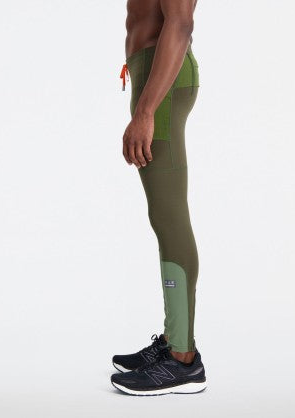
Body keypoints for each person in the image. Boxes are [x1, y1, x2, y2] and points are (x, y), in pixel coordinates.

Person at [111, 0, 206, 396]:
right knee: (165, 215)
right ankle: (173, 341)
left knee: (169, 217)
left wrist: (146, 111)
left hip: (161, 81)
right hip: (151, 74)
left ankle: (182, 359)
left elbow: (180, 24)